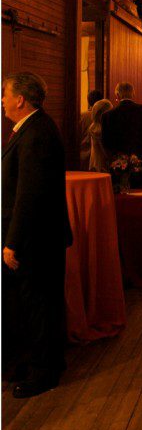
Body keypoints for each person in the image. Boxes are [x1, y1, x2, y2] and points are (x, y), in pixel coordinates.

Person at [2, 72, 72, 398]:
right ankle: (41, 361)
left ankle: (44, 371)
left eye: (5, 94)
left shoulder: (36, 134)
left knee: (39, 303)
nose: (1, 100)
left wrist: (12, 242)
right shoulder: (34, 127)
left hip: (35, 238)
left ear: (21, 99)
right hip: (38, 234)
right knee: (36, 302)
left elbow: (28, 195)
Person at [101, 82, 142, 189]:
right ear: (133, 94)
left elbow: (106, 142)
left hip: (118, 164)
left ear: (117, 95)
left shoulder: (108, 116)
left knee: (121, 196)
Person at [79, 89, 103, 169]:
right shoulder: (105, 116)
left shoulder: (82, 116)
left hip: (83, 156)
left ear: (88, 101)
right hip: (99, 158)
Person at [88, 98, 113, 172]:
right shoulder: (99, 130)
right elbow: (106, 152)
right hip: (102, 166)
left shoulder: (94, 126)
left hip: (95, 163)